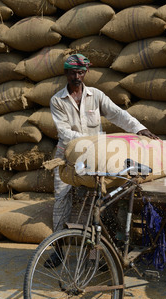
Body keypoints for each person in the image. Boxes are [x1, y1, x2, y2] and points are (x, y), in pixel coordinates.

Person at [46, 53, 158, 267]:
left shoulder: (96, 95)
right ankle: (58, 251)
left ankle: (102, 249)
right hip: (67, 156)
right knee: (61, 200)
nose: (76, 76)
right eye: (72, 72)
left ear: (86, 73)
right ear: (65, 74)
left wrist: (139, 128)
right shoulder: (57, 100)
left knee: (102, 199)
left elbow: (117, 114)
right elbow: (64, 132)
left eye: (80, 72)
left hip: (94, 156)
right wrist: (96, 140)